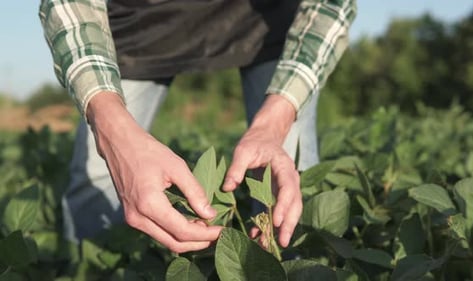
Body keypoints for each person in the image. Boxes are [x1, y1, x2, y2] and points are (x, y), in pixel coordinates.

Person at [39, 0, 356, 253]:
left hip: (270, 22)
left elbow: (329, 5)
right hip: (139, 25)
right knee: (96, 180)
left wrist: (275, 121)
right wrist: (113, 130)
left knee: (286, 189)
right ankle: (93, 270)